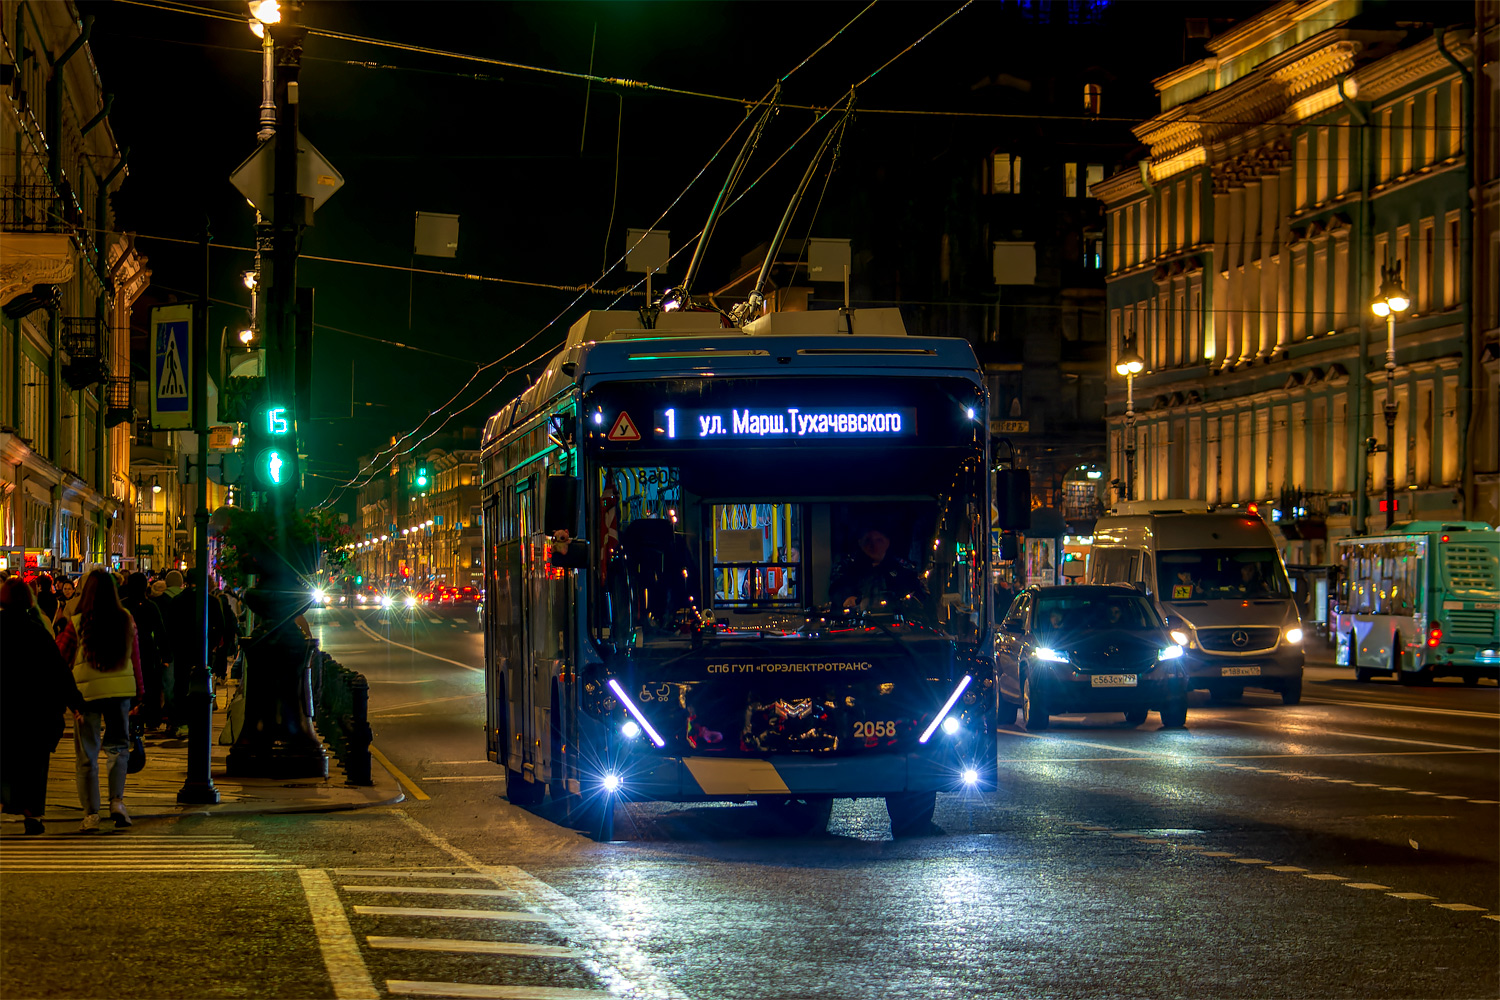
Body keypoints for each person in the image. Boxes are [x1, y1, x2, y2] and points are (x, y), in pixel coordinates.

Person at [55, 569, 144, 832]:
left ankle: (91, 814)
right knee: (118, 748)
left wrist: (69, 698)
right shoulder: (126, 619)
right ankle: (117, 802)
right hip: (120, 693)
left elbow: (62, 656)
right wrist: (139, 692)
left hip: (87, 695)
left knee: (87, 754)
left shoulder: (78, 622)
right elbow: (135, 659)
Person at [1, 578, 84, 834]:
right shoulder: (37, 630)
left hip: (4, 708)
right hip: (34, 710)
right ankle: (32, 814)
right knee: (34, 764)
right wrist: (76, 702)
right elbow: (57, 669)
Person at [166, 568, 224, 737]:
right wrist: (212, 644)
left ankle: (182, 722)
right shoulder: (211, 601)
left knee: (181, 685)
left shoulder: (177, 601)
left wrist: (174, 646)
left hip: (182, 649)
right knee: (203, 684)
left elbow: (169, 627)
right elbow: (220, 627)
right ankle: (200, 720)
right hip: (203, 650)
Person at [829, 525, 925, 612]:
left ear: (887, 542)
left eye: (879, 540)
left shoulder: (903, 568)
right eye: (868, 541)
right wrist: (847, 598)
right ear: (860, 542)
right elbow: (837, 590)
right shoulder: (846, 567)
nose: (873, 546)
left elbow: (915, 596)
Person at [122, 572, 167, 731]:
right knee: (149, 684)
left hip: (125, 650)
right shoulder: (150, 606)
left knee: (129, 684)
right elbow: (160, 631)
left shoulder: (123, 606)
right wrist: (165, 654)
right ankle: (149, 717)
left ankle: (131, 715)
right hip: (146, 649)